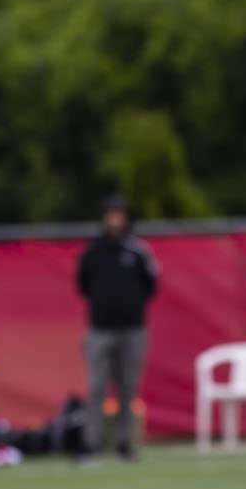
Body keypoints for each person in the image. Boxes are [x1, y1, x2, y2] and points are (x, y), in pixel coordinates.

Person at [75, 194, 160, 461]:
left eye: (119, 214)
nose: (114, 220)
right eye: (110, 215)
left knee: (127, 389)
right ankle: (91, 444)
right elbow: (83, 285)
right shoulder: (93, 252)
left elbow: (151, 286)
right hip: (100, 330)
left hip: (132, 329)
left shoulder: (137, 251)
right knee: (97, 386)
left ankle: (125, 444)